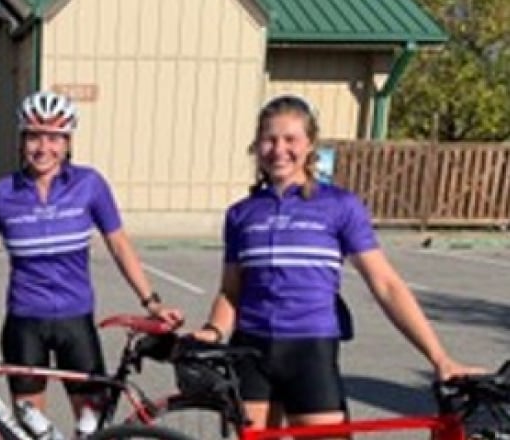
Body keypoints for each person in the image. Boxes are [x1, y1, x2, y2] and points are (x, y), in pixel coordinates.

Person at [191, 94, 481, 435]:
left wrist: (439, 357)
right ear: (256, 145)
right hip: (249, 351)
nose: (278, 149)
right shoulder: (241, 214)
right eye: (269, 139)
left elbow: (386, 284)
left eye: (290, 139)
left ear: (310, 145)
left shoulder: (340, 206)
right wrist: (212, 331)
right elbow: (231, 291)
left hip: (311, 350)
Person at [0, 91, 184, 429]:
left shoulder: (90, 185)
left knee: (91, 424)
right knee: (32, 428)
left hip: (76, 322)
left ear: (67, 142)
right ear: (22, 140)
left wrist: (151, 302)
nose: (43, 147)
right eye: (34, 136)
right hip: (24, 323)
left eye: (54, 137)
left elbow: (119, 244)